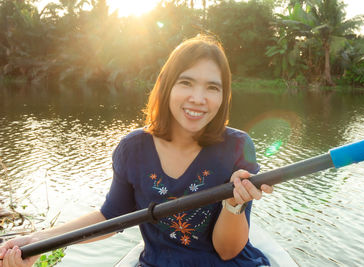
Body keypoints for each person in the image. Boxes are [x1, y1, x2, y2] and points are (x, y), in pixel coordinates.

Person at [0, 35, 273, 267]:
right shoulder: (134, 149)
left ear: (223, 96)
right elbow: (110, 216)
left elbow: (228, 251)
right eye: (186, 83)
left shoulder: (236, 147)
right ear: (166, 86)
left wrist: (234, 203)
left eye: (212, 87)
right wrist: (38, 241)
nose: (198, 99)